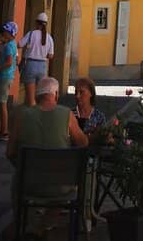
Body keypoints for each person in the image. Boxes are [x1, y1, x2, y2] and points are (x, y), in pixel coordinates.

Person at [6, 76, 86, 216]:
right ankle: (42, 227)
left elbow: (9, 152)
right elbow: (83, 143)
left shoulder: (21, 116)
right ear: (55, 94)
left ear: (37, 96)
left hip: (28, 183)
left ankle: (21, 225)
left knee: (16, 179)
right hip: (61, 186)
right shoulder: (67, 114)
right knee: (75, 184)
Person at [18, 12, 53, 107]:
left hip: (30, 65)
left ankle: (31, 118)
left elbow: (19, 44)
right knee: (39, 97)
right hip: (42, 67)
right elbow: (50, 56)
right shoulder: (49, 38)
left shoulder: (31, 34)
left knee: (30, 99)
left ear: (36, 23)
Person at [0, 22, 18, 140]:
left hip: (5, 76)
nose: (4, 33)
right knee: (1, 103)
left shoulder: (8, 46)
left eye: (6, 31)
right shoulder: (11, 44)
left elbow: (9, 62)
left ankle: (4, 131)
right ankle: (1, 129)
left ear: (11, 33)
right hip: (8, 76)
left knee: (2, 104)